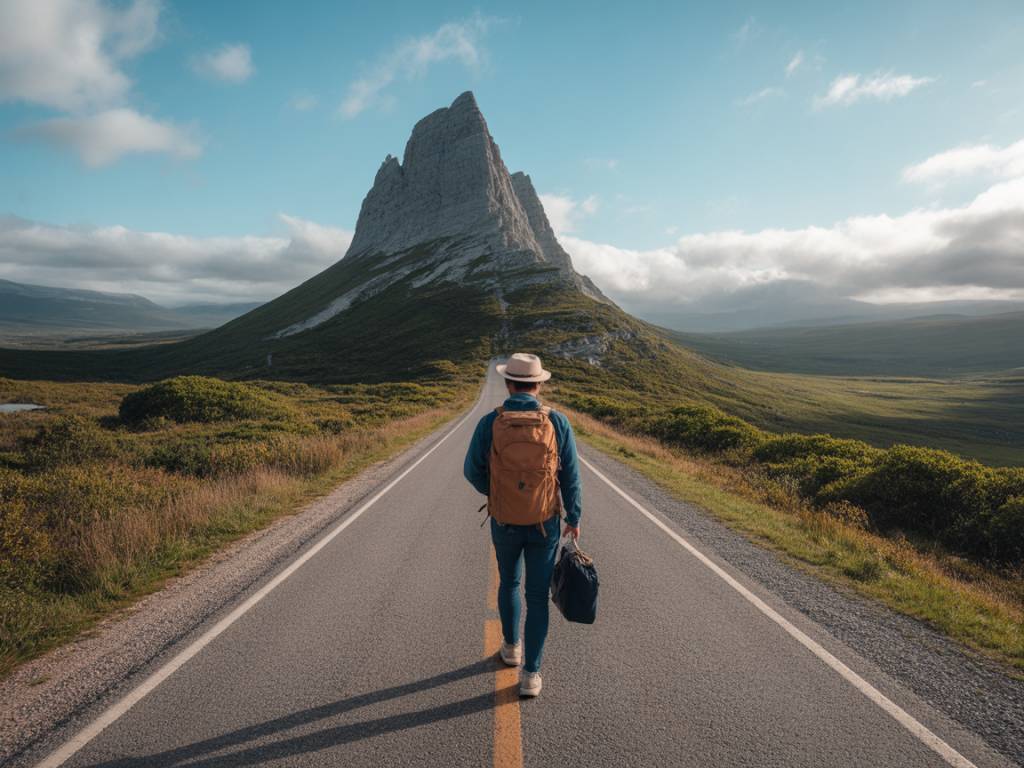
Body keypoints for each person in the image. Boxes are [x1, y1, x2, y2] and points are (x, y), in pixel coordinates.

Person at [464, 352, 582, 698]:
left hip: (505, 520)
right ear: (539, 385)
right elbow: (571, 477)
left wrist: (497, 493)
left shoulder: (490, 422)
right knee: (537, 597)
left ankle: (511, 648)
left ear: (508, 383)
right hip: (544, 521)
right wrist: (573, 517)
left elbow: (471, 470)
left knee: (509, 583)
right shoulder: (557, 421)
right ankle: (531, 675)